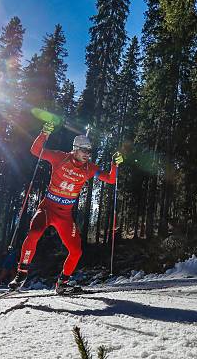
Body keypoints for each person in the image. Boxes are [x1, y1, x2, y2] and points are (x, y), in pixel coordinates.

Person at [8, 123, 123, 294]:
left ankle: (62, 283)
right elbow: (36, 150)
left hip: (65, 215)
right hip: (47, 208)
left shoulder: (89, 168)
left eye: (89, 151)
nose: (87, 154)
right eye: (84, 150)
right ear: (75, 149)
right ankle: (21, 273)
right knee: (34, 233)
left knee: (76, 250)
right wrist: (44, 133)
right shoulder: (59, 157)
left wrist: (115, 165)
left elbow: (111, 179)